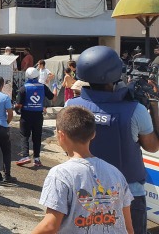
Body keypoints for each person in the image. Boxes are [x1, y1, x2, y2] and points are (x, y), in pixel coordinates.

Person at [67, 45, 159, 234]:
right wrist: (153, 104)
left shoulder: (71, 107)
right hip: (129, 194)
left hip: (84, 192)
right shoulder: (135, 110)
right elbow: (152, 146)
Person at [32, 106, 133, 234]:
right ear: (93, 134)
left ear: (60, 135)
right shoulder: (116, 173)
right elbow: (128, 228)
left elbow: (50, 226)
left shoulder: (60, 174)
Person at [15, 67, 55, 167]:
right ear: (37, 76)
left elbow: (18, 105)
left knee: (25, 136)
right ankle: (36, 159)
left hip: (26, 116)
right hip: (38, 116)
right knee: (37, 137)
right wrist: (55, 87)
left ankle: (25, 156)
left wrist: (16, 110)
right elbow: (52, 97)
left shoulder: (23, 88)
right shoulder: (43, 87)